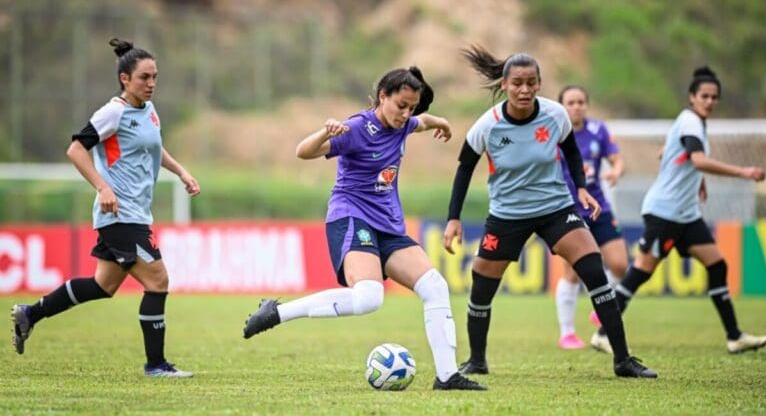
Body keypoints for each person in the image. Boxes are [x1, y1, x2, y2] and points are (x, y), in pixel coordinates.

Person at [242, 66, 487, 391]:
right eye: (401, 105)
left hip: (388, 224)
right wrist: (325, 133)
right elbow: (303, 152)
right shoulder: (357, 128)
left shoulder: (406, 123)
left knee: (435, 287)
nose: (406, 113)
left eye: (412, 107)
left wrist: (439, 122)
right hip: (351, 216)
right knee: (369, 298)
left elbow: (423, 123)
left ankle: (447, 376)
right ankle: (277, 312)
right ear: (382, 97)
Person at [442, 46, 656, 378]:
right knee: (481, 284)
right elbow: (464, 170)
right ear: (505, 85)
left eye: (531, 82)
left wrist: (582, 187)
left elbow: (571, 151)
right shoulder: (488, 125)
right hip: (507, 214)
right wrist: (453, 218)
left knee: (594, 270)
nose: (524, 90)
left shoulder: (556, 115)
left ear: (540, 84)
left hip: (555, 207)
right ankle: (477, 360)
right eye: (517, 83)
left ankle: (623, 360)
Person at [11, 38, 201, 378]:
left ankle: (31, 314)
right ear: (125, 79)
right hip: (120, 215)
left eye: (155, 77)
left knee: (103, 285)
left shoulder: (149, 110)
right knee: (158, 280)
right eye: (144, 77)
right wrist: (103, 186)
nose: (151, 83)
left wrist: (182, 171)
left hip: (135, 213)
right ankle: (156, 365)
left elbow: (155, 148)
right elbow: (75, 150)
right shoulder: (113, 112)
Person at [591, 66, 766, 355]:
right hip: (665, 213)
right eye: (705, 96)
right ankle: (602, 333)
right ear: (692, 97)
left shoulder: (692, 123)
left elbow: (670, 153)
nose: (710, 101)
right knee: (641, 272)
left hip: (686, 214)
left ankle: (735, 336)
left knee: (717, 264)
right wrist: (744, 171)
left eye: (714, 97)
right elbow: (696, 159)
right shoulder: (690, 122)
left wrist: (698, 181)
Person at [553, 85, 629, 351]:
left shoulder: (599, 130)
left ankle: (602, 306)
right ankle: (567, 333)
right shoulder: (551, 132)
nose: (576, 106)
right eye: (571, 102)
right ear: (562, 106)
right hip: (567, 209)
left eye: (581, 102)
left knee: (619, 265)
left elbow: (617, 160)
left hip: (599, 206)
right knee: (572, 273)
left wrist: (617, 171)